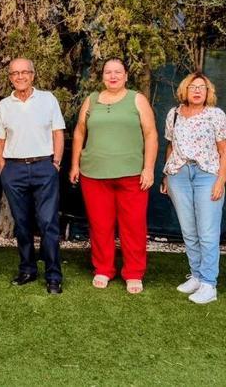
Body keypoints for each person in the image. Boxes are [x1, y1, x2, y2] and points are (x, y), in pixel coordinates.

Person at [69, 59, 158, 294]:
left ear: (126, 75)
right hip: (94, 173)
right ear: (102, 77)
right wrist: (75, 164)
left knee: (133, 226)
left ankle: (133, 273)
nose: (113, 76)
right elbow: (79, 132)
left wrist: (148, 168)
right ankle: (103, 269)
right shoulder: (92, 100)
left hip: (132, 175)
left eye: (118, 72)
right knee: (100, 225)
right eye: (108, 72)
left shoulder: (137, 99)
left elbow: (150, 134)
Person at [0, 58, 66, 295]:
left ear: (33, 75)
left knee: (48, 223)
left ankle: (53, 275)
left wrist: (55, 162)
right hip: (13, 170)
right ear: (10, 78)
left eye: (24, 72)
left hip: (44, 166)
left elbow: (58, 133)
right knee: (22, 224)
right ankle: (27, 269)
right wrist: (3, 169)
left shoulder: (48, 100)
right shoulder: (4, 105)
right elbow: (0, 140)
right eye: (15, 73)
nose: (20, 76)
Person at [160, 72, 226, 304]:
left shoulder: (215, 115)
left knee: (207, 232)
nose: (197, 91)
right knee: (189, 230)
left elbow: (225, 150)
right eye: (193, 87)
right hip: (178, 174)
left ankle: (209, 284)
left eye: (202, 87)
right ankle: (197, 276)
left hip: (207, 174)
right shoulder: (174, 114)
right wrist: (166, 176)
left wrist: (220, 180)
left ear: (208, 92)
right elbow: (170, 146)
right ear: (185, 90)